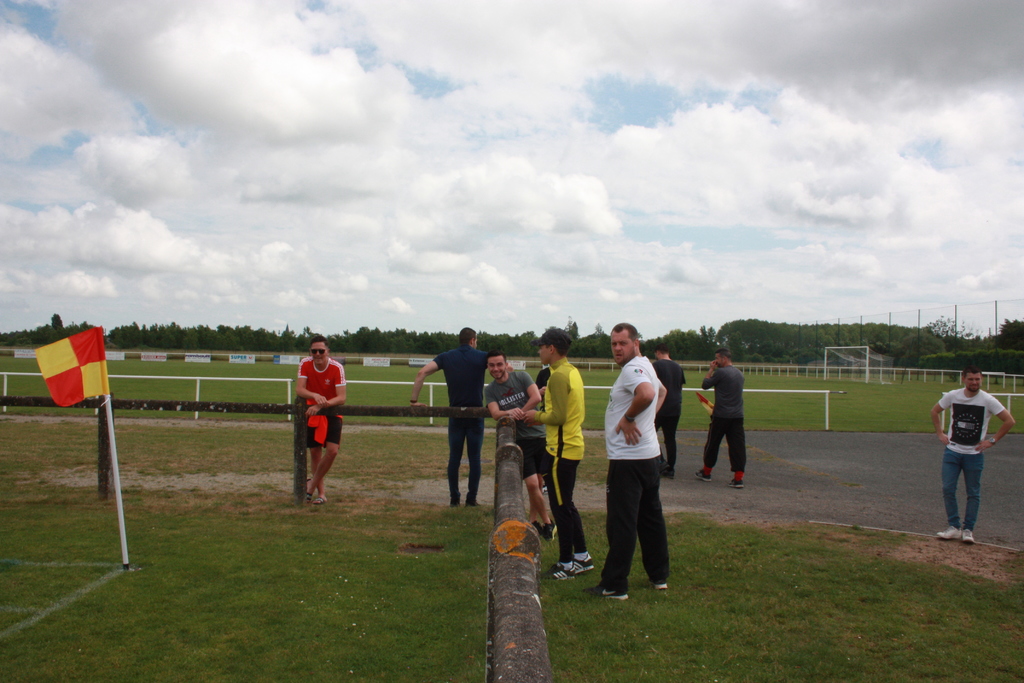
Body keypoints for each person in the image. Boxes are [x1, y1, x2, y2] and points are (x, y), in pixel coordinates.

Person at [584, 323, 670, 600]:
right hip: (648, 457)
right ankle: (659, 576)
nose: (618, 349)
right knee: (650, 518)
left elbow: (647, 394)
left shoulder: (633, 369)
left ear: (636, 343)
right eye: (614, 344)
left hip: (628, 460)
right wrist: (648, 420)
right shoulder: (647, 365)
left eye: (623, 343)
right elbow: (662, 392)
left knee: (622, 523)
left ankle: (615, 585)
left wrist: (631, 418)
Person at [523, 328, 592, 580]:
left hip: (561, 450)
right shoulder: (570, 371)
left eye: (541, 347)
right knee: (567, 505)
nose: (539, 351)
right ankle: (582, 557)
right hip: (569, 447)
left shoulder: (559, 376)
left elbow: (559, 416)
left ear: (551, 349)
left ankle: (566, 564)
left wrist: (536, 416)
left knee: (561, 508)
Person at [929, 365, 1015, 544]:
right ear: (964, 379)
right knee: (948, 489)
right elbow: (935, 411)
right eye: (971, 379)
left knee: (973, 492)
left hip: (974, 454)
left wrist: (992, 441)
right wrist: (940, 433)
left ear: (981, 379)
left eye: (977, 379)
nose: (974, 382)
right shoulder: (953, 395)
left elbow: (1009, 420)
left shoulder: (988, 400)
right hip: (953, 451)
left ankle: (968, 529)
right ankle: (954, 526)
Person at [411, 327, 488, 507]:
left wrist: (414, 400)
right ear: (472, 340)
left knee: (454, 458)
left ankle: (454, 498)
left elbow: (421, 373)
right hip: (476, 415)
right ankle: (471, 499)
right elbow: (505, 369)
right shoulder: (482, 356)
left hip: (455, 415)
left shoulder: (446, 357)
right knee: (475, 458)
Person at [484, 350, 554, 540]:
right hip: (521, 440)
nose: (496, 369)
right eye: (491, 365)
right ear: (488, 367)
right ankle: (548, 522)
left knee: (539, 483)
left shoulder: (522, 377)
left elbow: (536, 397)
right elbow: (495, 413)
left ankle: (533, 520)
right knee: (531, 484)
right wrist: (510, 412)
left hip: (540, 436)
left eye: (499, 364)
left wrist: (519, 412)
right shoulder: (490, 390)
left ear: (506, 364)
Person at [296, 335, 347, 505]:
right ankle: (321, 494)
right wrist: (315, 396)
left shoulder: (337, 367)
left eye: (321, 351)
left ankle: (310, 486)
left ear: (328, 351)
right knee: (315, 452)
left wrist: (320, 405)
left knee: (332, 451)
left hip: (332, 411)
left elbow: (341, 398)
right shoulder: (305, 363)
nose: (317, 354)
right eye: (314, 351)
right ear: (310, 351)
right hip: (312, 413)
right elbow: (300, 389)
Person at [696, 347, 746, 488]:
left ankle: (707, 472)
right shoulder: (739, 373)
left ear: (724, 358)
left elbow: (705, 385)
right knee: (737, 447)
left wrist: (711, 370)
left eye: (717, 358)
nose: (715, 361)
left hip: (721, 415)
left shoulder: (721, 372)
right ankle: (738, 478)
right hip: (737, 415)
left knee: (712, 444)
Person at [652, 343, 684, 479]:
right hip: (675, 406)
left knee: (650, 434)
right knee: (670, 439)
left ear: (658, 352)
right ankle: (671, 468)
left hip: (660, 407)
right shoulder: (678, 367)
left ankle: (661, 461)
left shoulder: (656, 366)